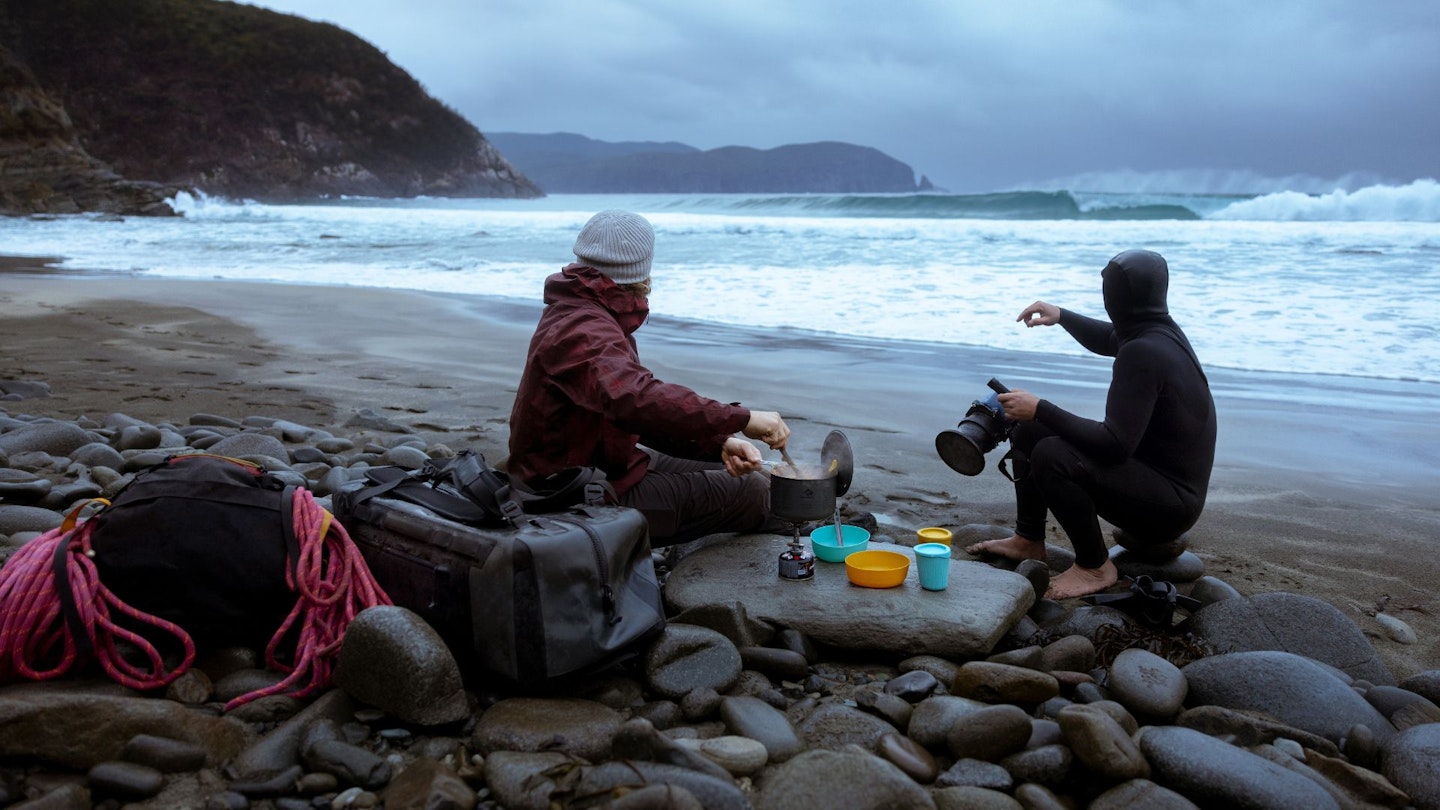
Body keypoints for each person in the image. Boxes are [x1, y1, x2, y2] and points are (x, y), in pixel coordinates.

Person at [507, 209, 791, 546]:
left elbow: (638, 414)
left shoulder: (584, 310)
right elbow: (636, 398)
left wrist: (719, 443)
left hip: (597, 466)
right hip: (569, 499)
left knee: (732, 465)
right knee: (755, 491)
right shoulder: (583, 329)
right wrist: (740, 418)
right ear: (639, 269)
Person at [966, 249, 1217, 600]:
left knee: (1053, 454)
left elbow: (1114, 445)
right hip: (1158, 480)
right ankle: (1028, 540)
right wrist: (1062, 316)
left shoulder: (1142, 353)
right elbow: (1110, 338)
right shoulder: (1159, 332)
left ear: (1114, 297)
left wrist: (1041, 407)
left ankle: (1095, 565)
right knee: (1028, 429)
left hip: (1169, 506)